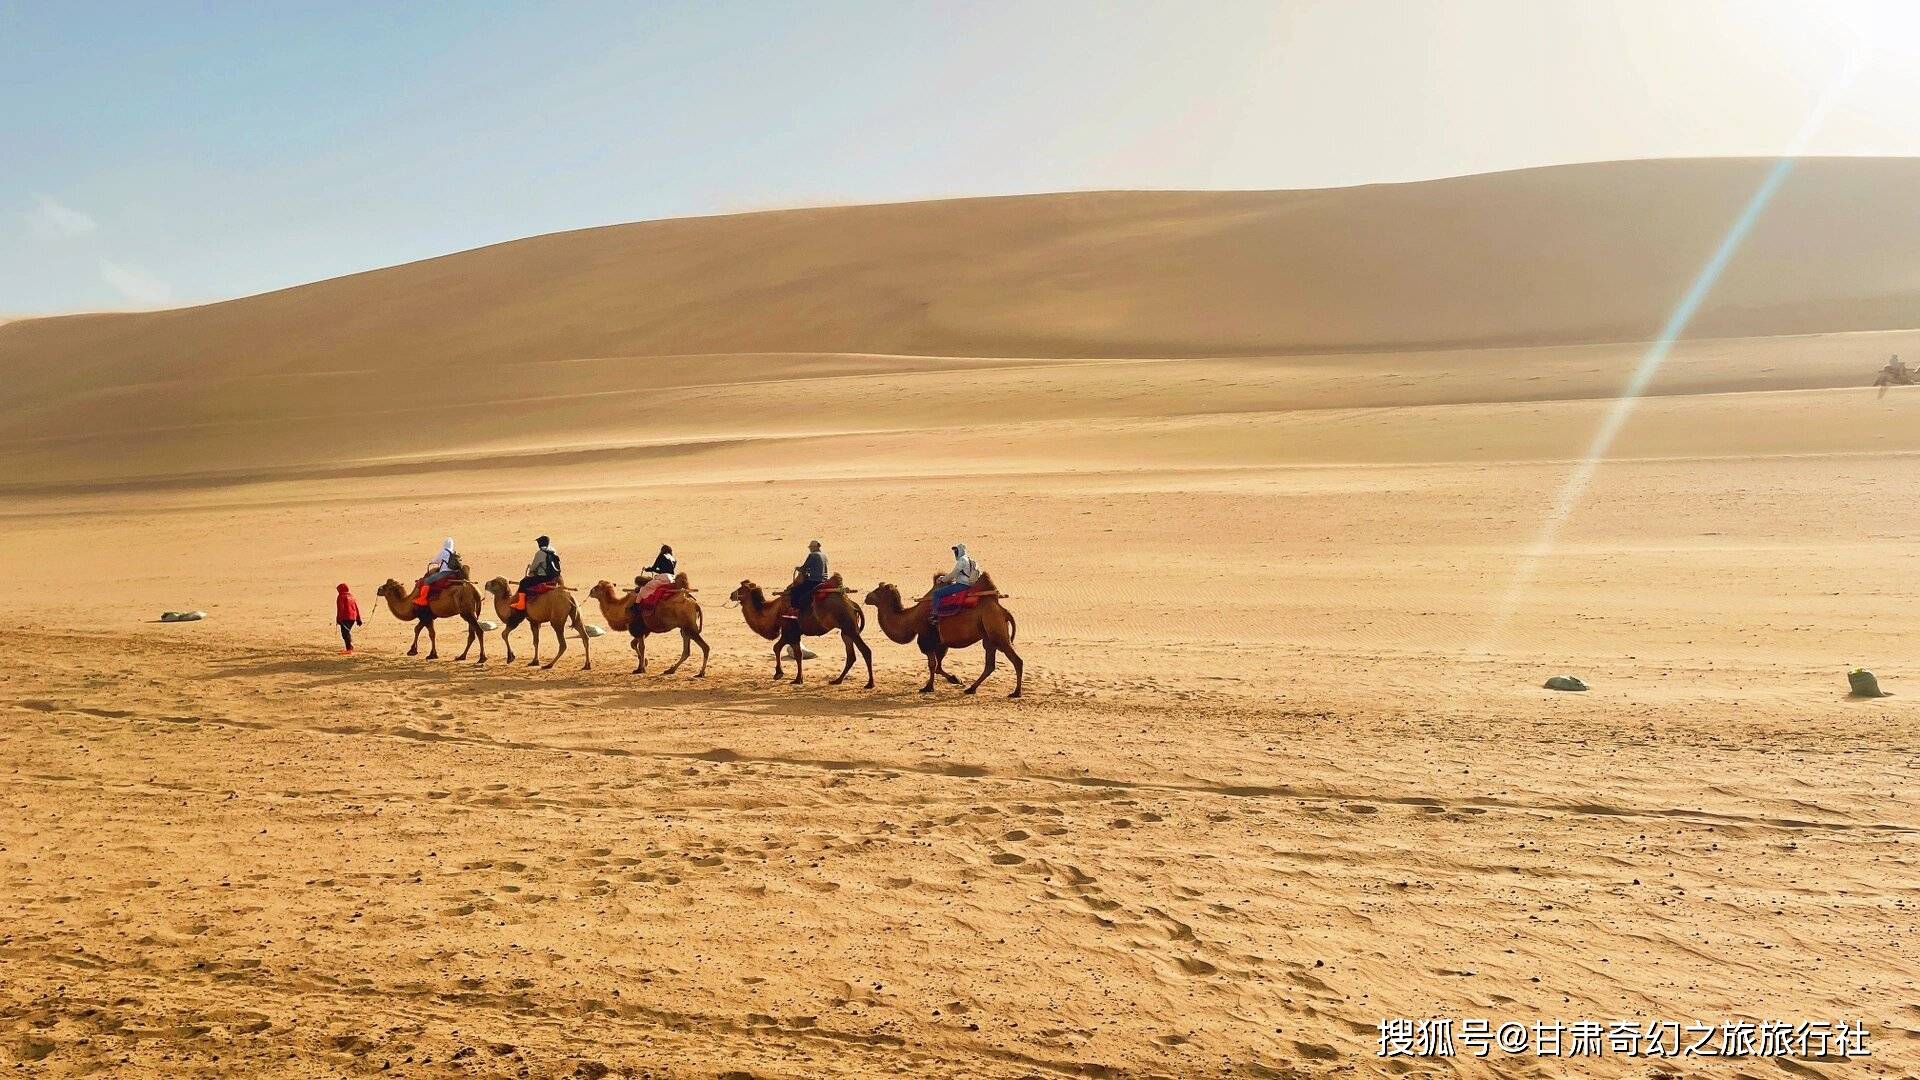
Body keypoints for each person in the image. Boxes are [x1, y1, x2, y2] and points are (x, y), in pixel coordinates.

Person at [928, 542, 981, 622]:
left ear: (960, 551)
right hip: (969, 584)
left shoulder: (962, 560)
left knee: (936, 593)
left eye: (956, 551)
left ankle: (935, 615)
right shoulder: (969, 560)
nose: (955, 553)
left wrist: (942, 579)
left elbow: (954, 574)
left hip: (962, 585)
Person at [512, 535, 561, 611]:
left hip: (544, 578)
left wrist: (530, 568)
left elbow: (533, 567)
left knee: (523, 582)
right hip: (553, 577)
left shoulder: (540, 553)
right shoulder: (553, 553)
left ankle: (521, 604)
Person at [413, 536, 463, 604]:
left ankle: (423, 599)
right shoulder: (453, 552)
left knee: (427, 581)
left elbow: (435, 560)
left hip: (445, 572)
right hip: (455, 572)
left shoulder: (444, 551)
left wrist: (431, 561)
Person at [791, 540, 828, 614]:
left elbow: (804, 567)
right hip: (824, 580)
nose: (810, 549)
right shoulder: (824, 556)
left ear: (814, 547)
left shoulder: (813, 555)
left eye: (810, 547)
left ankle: (795, 609)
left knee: (795, 590)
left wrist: (798, 568)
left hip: (814, 581)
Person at [335, 583, 362, 654]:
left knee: (345, 633)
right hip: (352, 618)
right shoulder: (352, 596)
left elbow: (340, 608)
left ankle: (349, 649)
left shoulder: (341, 596)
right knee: (347, 632)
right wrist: (358, 619)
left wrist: (338, 619)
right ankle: (350, 647)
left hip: (345, 617)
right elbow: (356, 608)